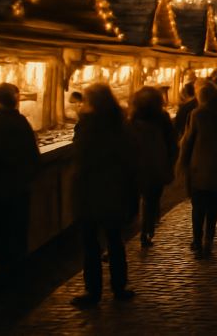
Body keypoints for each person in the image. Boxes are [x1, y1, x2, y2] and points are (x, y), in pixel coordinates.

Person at [71, 83, 137, 307]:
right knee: (115, 241)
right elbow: (129, 159)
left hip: (90, 191)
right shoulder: (120, 123)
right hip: (115, 190)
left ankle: (93, 291)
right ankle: (119, 287)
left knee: (90, 244)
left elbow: (81, 158)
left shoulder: (87, 125)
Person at [177, 80, 217, 259]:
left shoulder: (197, 114)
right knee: (213, 209)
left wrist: (182, 162)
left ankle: (197, 240)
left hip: (200, 167)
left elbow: (188, 140)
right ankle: (208, 240)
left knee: (198, 208)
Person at [0, 83, 40, 284]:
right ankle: (18, 275)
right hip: (20, 189)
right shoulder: (21, 121)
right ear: (15, 99)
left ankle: (4, 275)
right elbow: (33, 155)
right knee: (18, 232)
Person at [128, 86, 177, 248]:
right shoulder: (163, 118)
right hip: (157, 165)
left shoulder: (132, 120)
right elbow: (172, 142)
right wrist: (170, 163)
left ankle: (133, 233)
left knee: (135, 200)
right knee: (151, 200)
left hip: (136, 166)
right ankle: (147, 230)